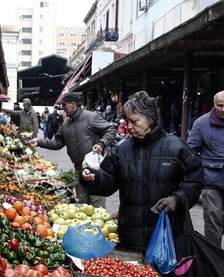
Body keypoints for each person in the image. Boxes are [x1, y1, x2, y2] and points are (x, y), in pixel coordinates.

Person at [80, 91, 203, 251]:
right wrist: (92, 178)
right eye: (127, 121)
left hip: (168, 235)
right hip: (131, 236)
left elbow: (195, 180)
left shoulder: (176, 148)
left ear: (150, 118)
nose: (129, 127)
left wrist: (177, 199)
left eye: (134, 121)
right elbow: (108, 182)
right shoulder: (121, 150)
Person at [31, 92, 116, 207]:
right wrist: (39, 142)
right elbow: (57, 143)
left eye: (64, 105)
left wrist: (101, 144)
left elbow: (110, 130)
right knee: (82, 204)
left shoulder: (91, 117)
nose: (62, 108)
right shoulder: (65, 124)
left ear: (73, 104)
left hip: (96, 169)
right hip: (79, 170)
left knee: (97, 206)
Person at [187, 90, 224, 246]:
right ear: (214, 104)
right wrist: (198, 172)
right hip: (211, 178)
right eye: (220, 105)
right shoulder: (201, 123)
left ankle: (208, 243)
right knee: (212, 216)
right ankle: (214, 254)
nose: (223, 109)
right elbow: (191, 151)